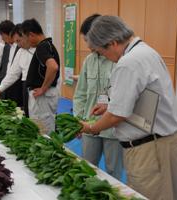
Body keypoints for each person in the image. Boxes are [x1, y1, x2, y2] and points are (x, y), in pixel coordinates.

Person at [80, 15, 177, 200]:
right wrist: (108, 105)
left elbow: (116, 116)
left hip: (150, 150)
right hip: (162, 143)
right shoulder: (146, 52)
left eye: (102, 53)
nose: (107, 59)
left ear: (112, 43)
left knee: (148, 195)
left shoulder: (128, 62)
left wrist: (91, 128)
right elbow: (141, 96)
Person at [73, 14, 122, 180]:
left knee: (113, 171)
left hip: (113, 128)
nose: (87, 45)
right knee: (87, 167)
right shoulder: (89, 61)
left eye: (88, 40)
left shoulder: (119, 59)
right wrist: (77, 121)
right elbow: (80, 94)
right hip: (89, 124)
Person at [21, 18, 60, 134]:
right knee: (44, 127)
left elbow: (53, 67)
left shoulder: (42, 47)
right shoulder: (48, 45)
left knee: (42, 131)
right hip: (45, 96)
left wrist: (43, 88)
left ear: (31, 35)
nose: (24, 41)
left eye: (24, 37)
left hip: (42, 97)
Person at [0, 24, 35, 114]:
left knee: (41, 117)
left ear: (26, 36)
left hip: (39, 89)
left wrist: (44, 88)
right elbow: (13, 73)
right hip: (25, 86)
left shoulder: (41, 48)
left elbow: (53, 70)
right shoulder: (21, 51)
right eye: (16, 42)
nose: (18, 44)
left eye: (19, 41)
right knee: (28, 114)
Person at [0, 20, 23, 106]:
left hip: (18, 88)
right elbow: (3, 68)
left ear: (10, 33)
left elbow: (18, 72)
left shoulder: (22, 47)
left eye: (2, 35)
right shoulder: (6, 47)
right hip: (5, 86)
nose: (2, 38)